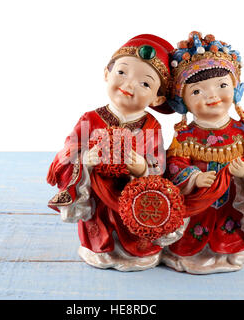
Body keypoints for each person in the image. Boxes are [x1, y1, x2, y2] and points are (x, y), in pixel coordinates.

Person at [47, 34, 179, 271]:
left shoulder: (151, 126)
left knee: (136, 229)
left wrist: (140, 167)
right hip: (98, 193)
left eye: (145, 83)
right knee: (100, 225)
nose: (129, 85)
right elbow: (68, 152)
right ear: (106, 74)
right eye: (122, 73)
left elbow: (158, 164)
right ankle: (99, 249)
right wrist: (85, 159)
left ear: (157, 97)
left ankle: (137, 253)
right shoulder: (90, 119)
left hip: (132, 194)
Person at [163, 31, 244, 274]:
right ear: (182, 103)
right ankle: (189, 254)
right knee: (192, 232)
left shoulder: (243, 133)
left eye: (222, 85)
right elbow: (173, 165)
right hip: (199, 206)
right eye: (197, 91)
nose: (212, 95)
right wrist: (193, 178)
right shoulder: (185, 137)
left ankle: (230, 250)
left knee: (231, 232)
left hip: (230, 206)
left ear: (235, 89)